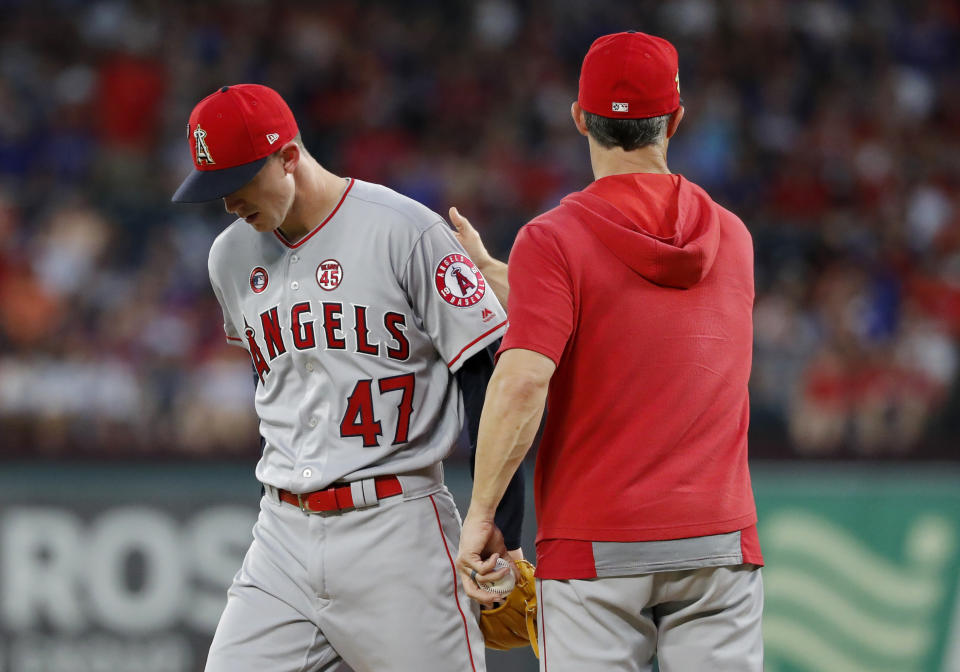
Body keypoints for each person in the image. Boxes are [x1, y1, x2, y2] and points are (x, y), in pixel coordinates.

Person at [172, 83, 525, 672]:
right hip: (281, 536)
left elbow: (485, 375)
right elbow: (285, 387)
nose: (228, 203)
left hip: (396, 529)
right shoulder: (228, 258)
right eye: (215, 188)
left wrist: (500, 520)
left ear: (288, 156)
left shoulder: (405, 230)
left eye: (237, 183)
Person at [454, 31, 764, 671]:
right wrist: (515, 280)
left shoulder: (554, 239)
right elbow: (643, 313)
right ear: (675, 118)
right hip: (717, 541)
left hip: (597, 547)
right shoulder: (732, 236)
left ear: (577, 118)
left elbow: (520, 383)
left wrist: (483, 512)